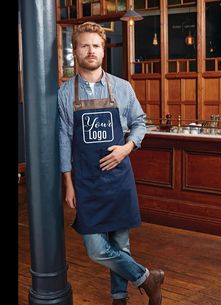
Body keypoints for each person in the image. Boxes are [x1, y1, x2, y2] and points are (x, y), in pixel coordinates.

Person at [58, 21, 164, 305]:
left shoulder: (122, 87)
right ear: (75, 51)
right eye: (84, 45)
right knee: (95, 249)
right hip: (86, 181)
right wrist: (68, 184)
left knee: (120, 243)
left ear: (103, 51)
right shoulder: (66, 93)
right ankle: (147, 278)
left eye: (95, 45)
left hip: (118, 178)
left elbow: (140, 123)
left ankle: (119, 298)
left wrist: (127, 148)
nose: (90, 51)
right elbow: (64, 139)